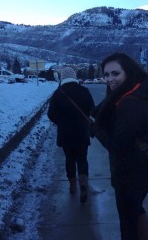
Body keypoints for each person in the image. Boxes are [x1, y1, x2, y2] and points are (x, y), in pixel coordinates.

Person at [92, 53, 148, 240]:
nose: (110, 79)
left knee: (128, 224)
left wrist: (97, 129)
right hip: (143, 170)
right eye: (106, 75)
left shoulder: (130, 103)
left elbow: (118, 146)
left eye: (115, 73)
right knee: (136, 212)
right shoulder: (136, 93)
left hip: (131, 175)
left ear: (129, 72)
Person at [47, 67, 95, 203]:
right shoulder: (84, 91)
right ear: (74, 76)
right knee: (82, 158)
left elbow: (50, 114)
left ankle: (73, 185)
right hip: (82, 132)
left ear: (62, 77)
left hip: (65, 133)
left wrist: (60, 122)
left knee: (69, 159)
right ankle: (83, 183)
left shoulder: (58, 93)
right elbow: (92, 109)